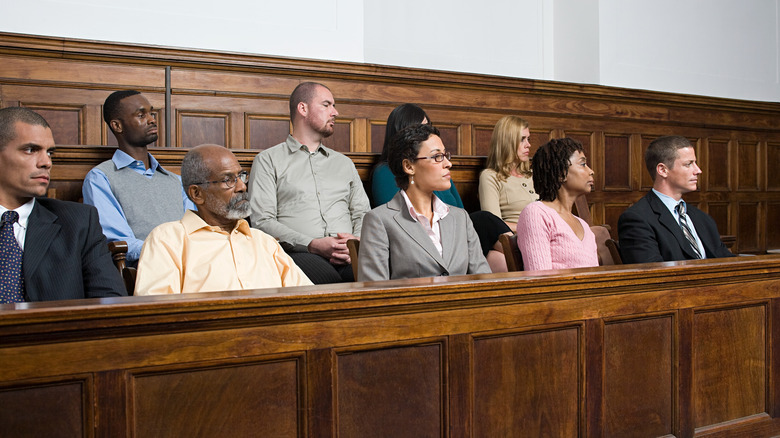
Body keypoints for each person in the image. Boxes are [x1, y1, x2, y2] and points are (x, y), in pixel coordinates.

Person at [135, 145, 312, 295]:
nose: (242, 187)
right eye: (228, 180)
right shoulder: (167, 240)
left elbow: (309, 301)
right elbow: (156, 314)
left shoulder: (264, 242)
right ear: (197, 194)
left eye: (241, 176)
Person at [248, 82, 370, 284]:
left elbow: (363, 213)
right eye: (326, 105)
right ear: (303, 108)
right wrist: (312, 244)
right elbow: (262, 221)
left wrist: (354, 243)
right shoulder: (268, 160)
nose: (335, 112)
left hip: (350, 253)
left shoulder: (344, 164)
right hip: (297, 253)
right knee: (329, 281)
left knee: (384, 276)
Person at [0, 107, 125, 303]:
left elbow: (111, 304)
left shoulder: (79, 222)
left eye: (49, 152)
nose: (46, 162)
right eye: (31, 150)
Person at [358, 124, 490, 281]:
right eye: (437, 157)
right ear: (408, 166)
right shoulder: (379, 220)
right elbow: (374, 292)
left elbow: (484, 280)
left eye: (446, 155)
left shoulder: (461, 217)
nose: (448, 163)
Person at [82, 90, 195, 265]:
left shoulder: (175, 181)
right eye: (141, 115)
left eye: (151, 113)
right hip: (144, 272)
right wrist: (169, 251)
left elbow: (193, 232)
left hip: (189, 267)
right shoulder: (100, 178)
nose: (152, 120)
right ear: (117, 126)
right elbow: (120, 243)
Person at [618, 135, 734, 263]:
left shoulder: (702, 218)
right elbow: (650, 275)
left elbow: (727, 263)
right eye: (688, 164)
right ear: (662, 170)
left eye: (695, 163)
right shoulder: (637, 219)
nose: (698, 170)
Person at [516, 137, 599, 271]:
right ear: (561, 173)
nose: (591, 171)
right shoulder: (536, 213)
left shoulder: (584, 226)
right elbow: (541, 281)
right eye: (582, 164)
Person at [371, 103, 463, 207]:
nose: (426, 134)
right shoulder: (384, 172)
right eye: (420, 129)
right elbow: (392, 218)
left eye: (427, 127)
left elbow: (461, 212)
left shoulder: (440, 168)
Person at [479, 116, 538, 232]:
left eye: (528, 139)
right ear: (507, 142)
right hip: (515, 241)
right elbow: (493, 224)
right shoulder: (490, 176)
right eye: (522, 139)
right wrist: (530, 228)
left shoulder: (533, 174)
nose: (528, 145)